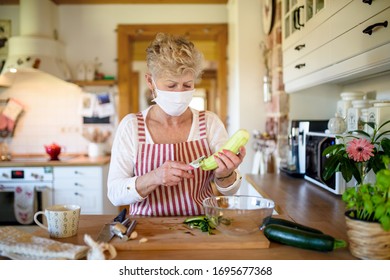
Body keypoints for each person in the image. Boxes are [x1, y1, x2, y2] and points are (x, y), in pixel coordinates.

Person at [107, 33, 246, 216]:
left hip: (200, 228)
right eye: (171, 86)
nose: (180, 93)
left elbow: (229, 191)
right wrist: (154, 177)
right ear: (151, 81)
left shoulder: (209, 122)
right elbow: (115, 194)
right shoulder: (131, 126)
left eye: (187, 85)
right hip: (146, 232)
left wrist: (225, 174)